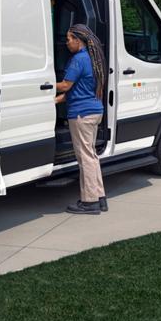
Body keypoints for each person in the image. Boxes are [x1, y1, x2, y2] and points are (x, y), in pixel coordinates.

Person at [55, 24, 109, 215]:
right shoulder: (92, 58)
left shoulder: (78, 59)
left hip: (81, 114)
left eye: (69, 39)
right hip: (94, 111)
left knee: (85, 158)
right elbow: (77, 90)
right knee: (91, 155)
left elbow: (65, 86)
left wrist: (42, 84)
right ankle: (99, 197)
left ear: (78, 40)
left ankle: (89, 202)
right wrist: (54, 100)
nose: (67, 42)